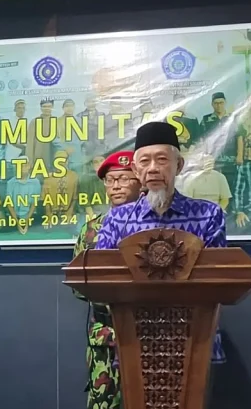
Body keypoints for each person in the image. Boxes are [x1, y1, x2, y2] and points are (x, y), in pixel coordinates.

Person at [96, 120, 226, 365]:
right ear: (135, 169)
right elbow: (100, 279)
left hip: (196, 342)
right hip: (134, 343)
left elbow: (218, 281)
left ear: (179, 165)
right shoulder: (118, 219)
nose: (153, 168)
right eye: (145, 161)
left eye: (162, 160)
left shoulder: (208, 214)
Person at [71, 151, 142, 409]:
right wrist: (112, 296)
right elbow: (77, 282)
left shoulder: (154, 224)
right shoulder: (93, 228)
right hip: (105, 334)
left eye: (125, 178)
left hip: (149, 332)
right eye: (110, 180)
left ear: (141, 181)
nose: (116, 186)